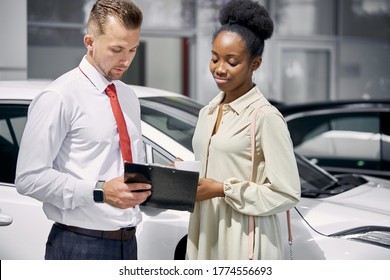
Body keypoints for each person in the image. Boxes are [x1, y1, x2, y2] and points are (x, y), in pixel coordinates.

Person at [15, 0, 151, 260]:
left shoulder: (128, 96)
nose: (126, 60)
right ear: (90, 42)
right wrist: (99, 191)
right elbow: (28, 177)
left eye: (133, 49)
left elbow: (127, 170)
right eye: (117, 49)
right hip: (79, 245)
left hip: (128, 243)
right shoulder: (59, 96)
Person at [186, 0, 301, 260]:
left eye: (232, 61)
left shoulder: (265, 117)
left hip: (245, 241)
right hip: (205, 232)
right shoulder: (208, 112)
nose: (219, 68)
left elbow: (287, 193)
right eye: (214, 58)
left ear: (255, 64)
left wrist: (222, 189)